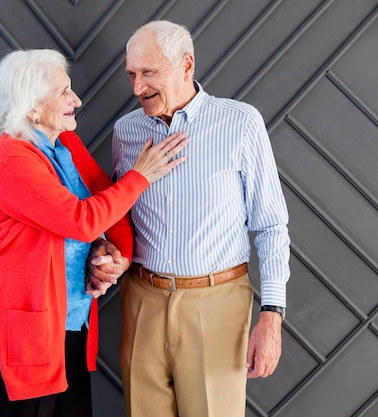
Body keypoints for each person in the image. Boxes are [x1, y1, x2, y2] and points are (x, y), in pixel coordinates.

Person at [0, 48, 189, 417]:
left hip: (69, 324)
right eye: (63, 93)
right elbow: (81, 219)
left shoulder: (62, 144)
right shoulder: (9, 158)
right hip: (25, 333)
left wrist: (109, 256)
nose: (77, 100)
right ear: (31, 108)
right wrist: (141, 175)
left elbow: (104, 208)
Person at [87, 21, 291, 417]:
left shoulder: (240, 123)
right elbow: (119, 218)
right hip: (141, 300)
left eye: (149, 72)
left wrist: (272, 315)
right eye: (131, 74)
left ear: (186, 65)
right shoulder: (125, 132)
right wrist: (106, 249)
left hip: (217, 304)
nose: (136, 87)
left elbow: (270, 226)